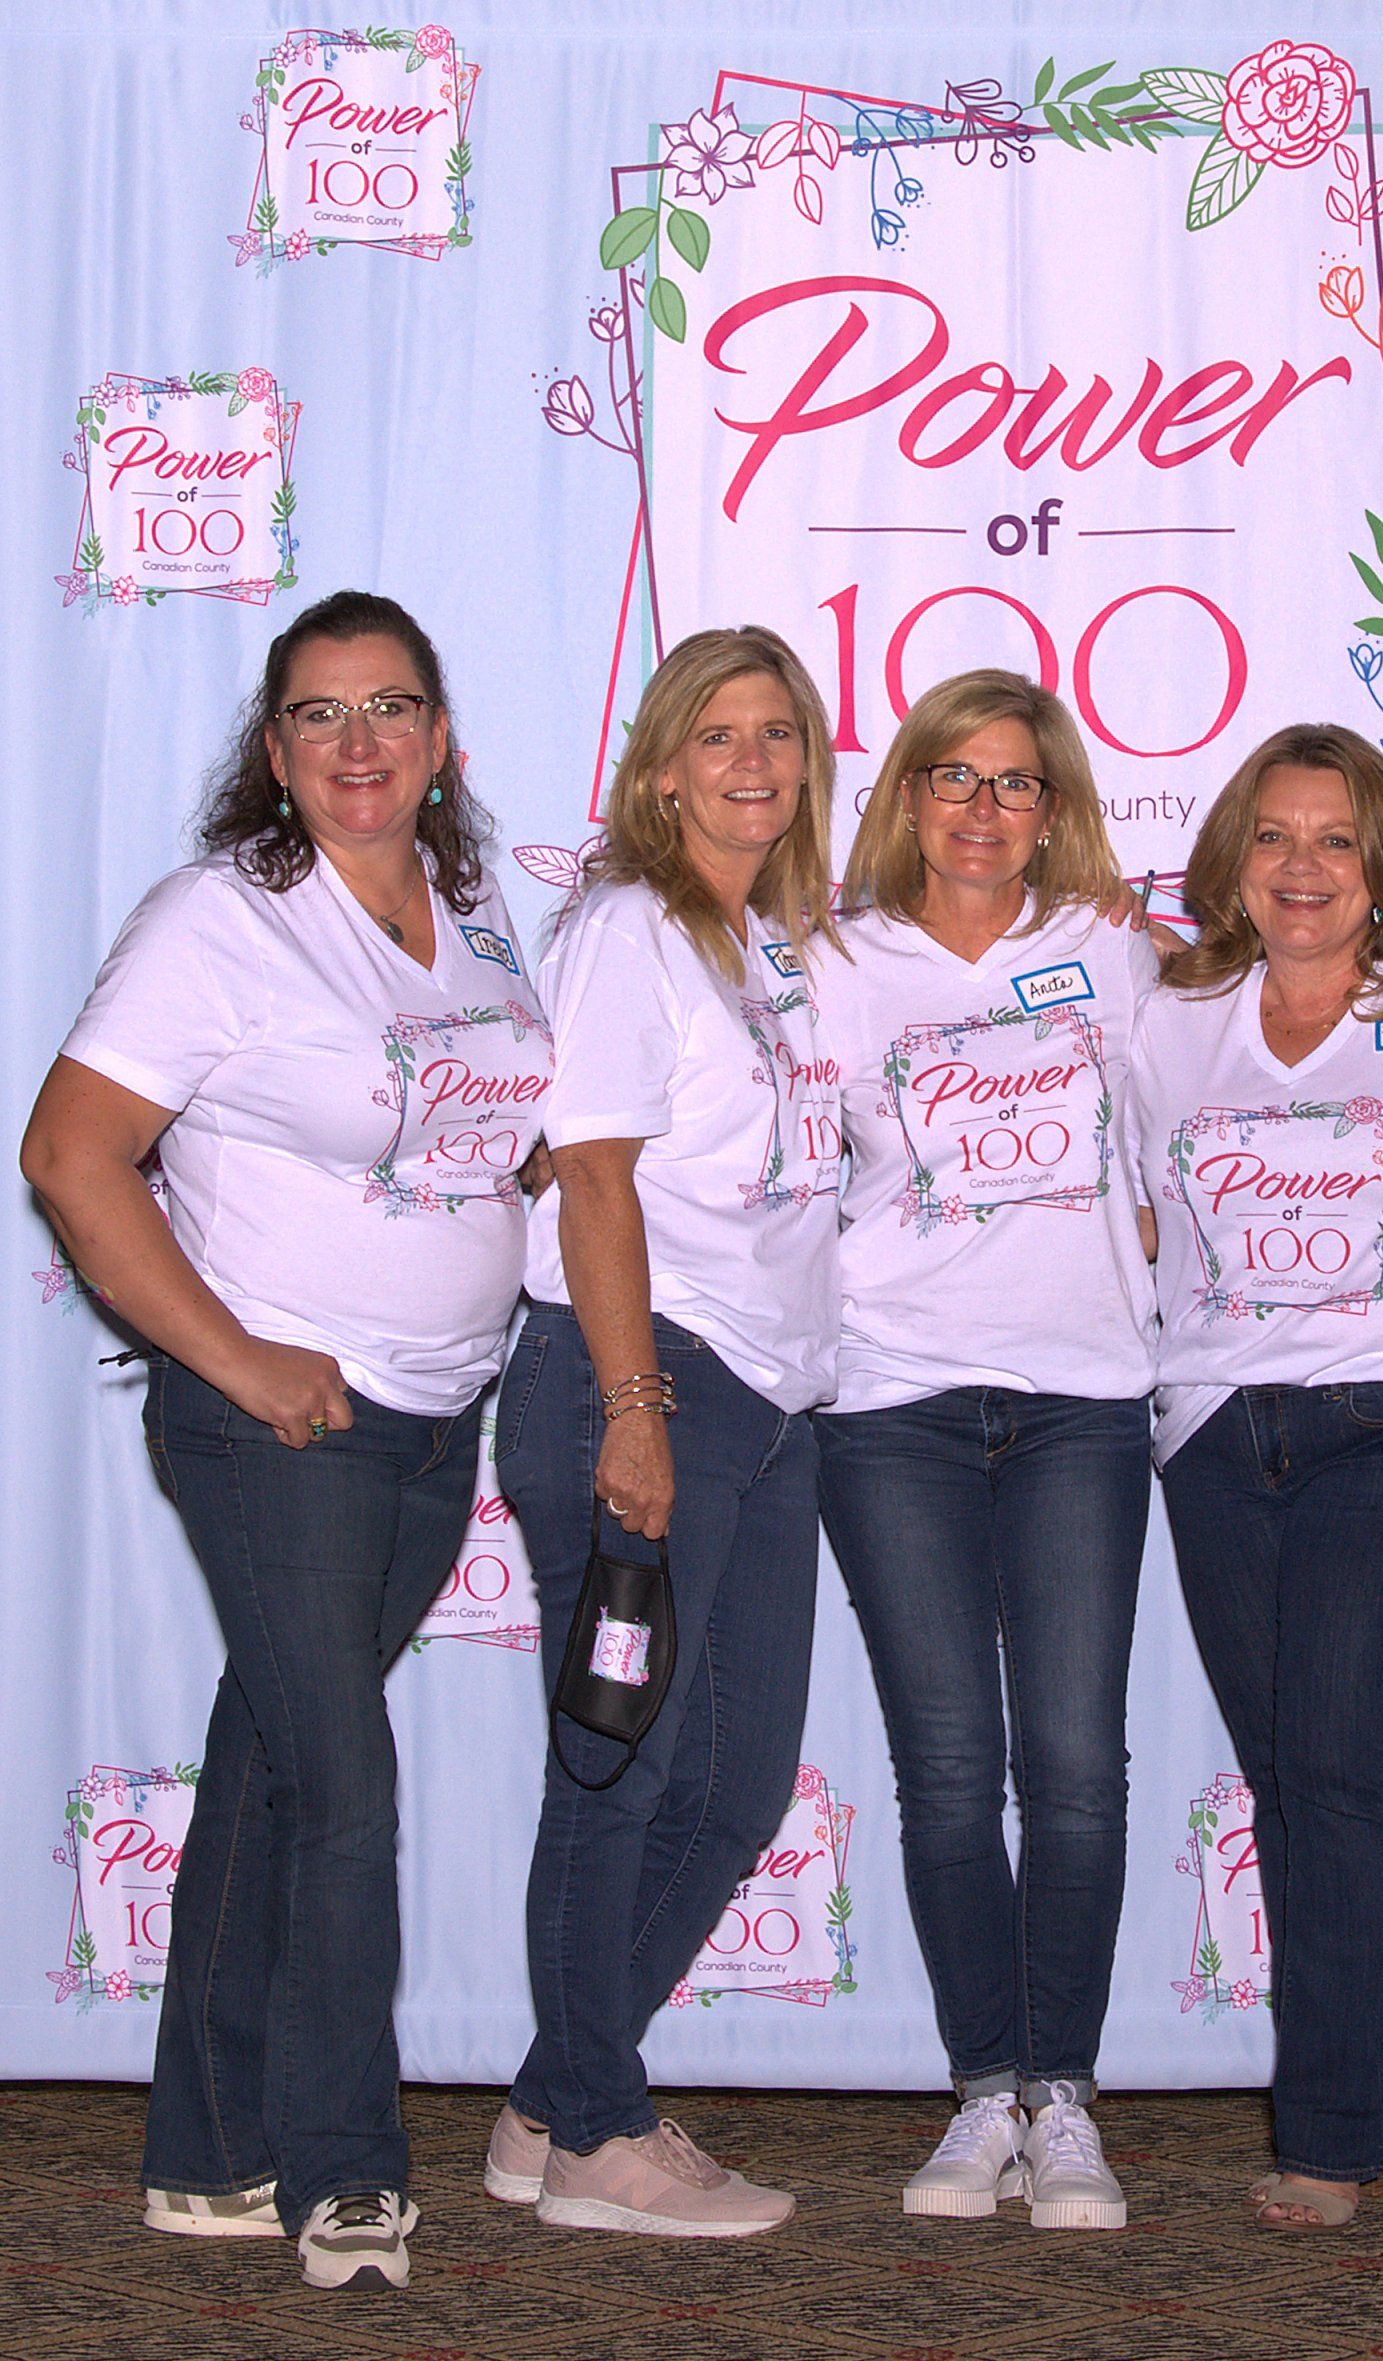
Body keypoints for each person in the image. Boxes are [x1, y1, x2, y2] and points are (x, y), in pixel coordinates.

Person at [21, 592, 551, 2292]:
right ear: (274, 751)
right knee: (343, 1790)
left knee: (270, 1769)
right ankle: (345, 2173)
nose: (360, 743)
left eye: (392, 706)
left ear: (443, 738)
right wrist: (241, 1360)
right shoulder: (222, 921)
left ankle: (207, 2153)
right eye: (319, 715)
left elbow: (510, 1153)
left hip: (430, 1413)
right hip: (282, 1432)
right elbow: (71, 1153)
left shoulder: (473, 927)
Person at [481, 626, 841, 2238]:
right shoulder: (632, 927)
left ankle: (554, 2102)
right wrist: (634, 1411)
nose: (750, 762)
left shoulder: (774, 946)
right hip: (646, 1386)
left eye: (777, 734)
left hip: (772, 1405)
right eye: (717, 734)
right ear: (661, 766)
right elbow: (597, 1173)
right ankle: (599, 2137)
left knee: (739, 1785)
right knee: (616, 1776)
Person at [1133, 723, 1383, 2230]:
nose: (1303, 868)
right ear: (1231, 858)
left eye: (1338, 839)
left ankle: (1337, 2130)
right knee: (1285, 1772)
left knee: (1336, 1762)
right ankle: (1341, 2105)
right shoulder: (1170, 1013)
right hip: (1214, 1430)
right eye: (1276, 838)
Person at [811, 669, 1158, 2229]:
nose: (982, 808)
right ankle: (981, 2092)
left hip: (1086, 1399)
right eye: (953, 777)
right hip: (893, 1404)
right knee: (950, 1768)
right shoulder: (827, 961)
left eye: (1015, 783)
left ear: (1054, 808)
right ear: (908, 797)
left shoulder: (1118, 955)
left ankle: (1066, 2097)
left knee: (1076, 1767)